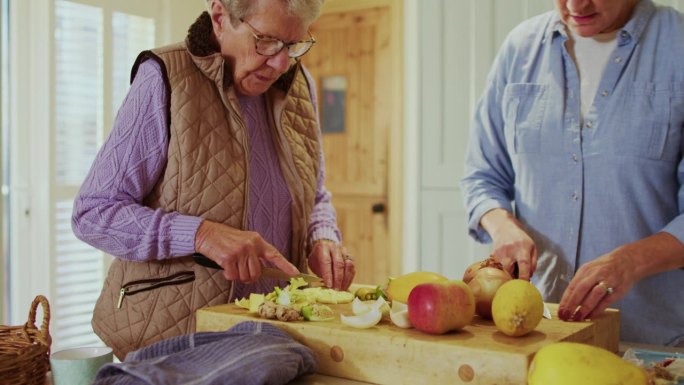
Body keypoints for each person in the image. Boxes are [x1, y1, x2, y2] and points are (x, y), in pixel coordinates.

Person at [72, 0, 355, 359]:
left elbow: (316, 195)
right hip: (174, 341)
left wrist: (323, 237)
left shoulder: (299, 85)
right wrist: (201, 234)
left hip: (276, 336)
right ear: (220, 17)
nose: (282, 62)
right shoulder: (165, 77)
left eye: (294, 45)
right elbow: (93, 214)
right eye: (266, 41)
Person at [461, 0, 684, 346]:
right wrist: (502, 226)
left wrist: (632, 261)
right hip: (537, 333)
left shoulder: (678, 44)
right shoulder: (520, 49)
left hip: (652, 342)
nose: (576, 5)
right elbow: (482, 175)